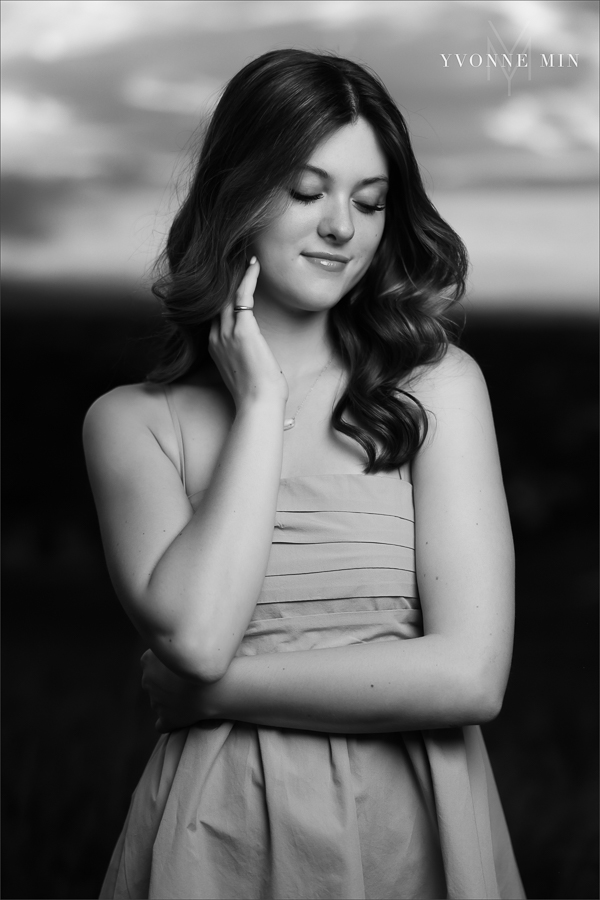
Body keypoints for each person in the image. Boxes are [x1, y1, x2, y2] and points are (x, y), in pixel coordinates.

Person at [84, 49, 525, 900]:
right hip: (217, 838)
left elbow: (469, 677)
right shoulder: (132, 424)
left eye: (369, 202)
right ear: (237, 194)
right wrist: (258, 409)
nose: (342, 229)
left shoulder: (438, 389)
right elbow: (198, 637)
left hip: (415, 831)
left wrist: (215, 696)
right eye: (307, 191)